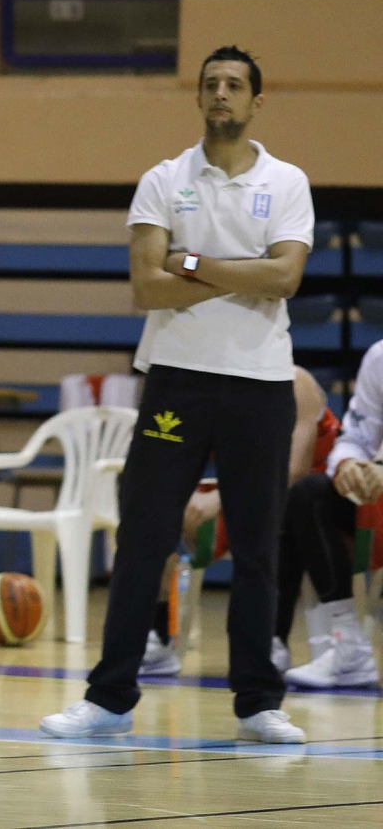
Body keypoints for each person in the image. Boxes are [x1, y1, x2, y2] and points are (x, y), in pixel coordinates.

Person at [42, 45, 314, 744]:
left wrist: (191, 261)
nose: (221, 93)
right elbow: (145, 286)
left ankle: (258, 702)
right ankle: (108, 699)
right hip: (176, 382)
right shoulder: (163, 180)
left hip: (260, 384)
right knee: (144, 538)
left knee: (257, 546)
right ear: (199, 98)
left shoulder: (287, 182)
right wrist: (244, 271)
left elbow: (285, 280)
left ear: (258, 100)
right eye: (211, 84)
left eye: (234, 85)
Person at [137, 365, 335, 678]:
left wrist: (219, 499)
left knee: (283, 512)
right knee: (159, 512)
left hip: (310, 503)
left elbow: (295, 470)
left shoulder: (297, 383)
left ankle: (273, 639)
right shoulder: (208, 385)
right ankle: (159, 636)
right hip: (239, 489)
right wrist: (183, 496)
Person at [280, 339, 383, 688]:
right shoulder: (379, 357)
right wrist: (349, 463)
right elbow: (355, 435)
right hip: (377, 503)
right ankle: (348, 646)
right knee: (307, 495)